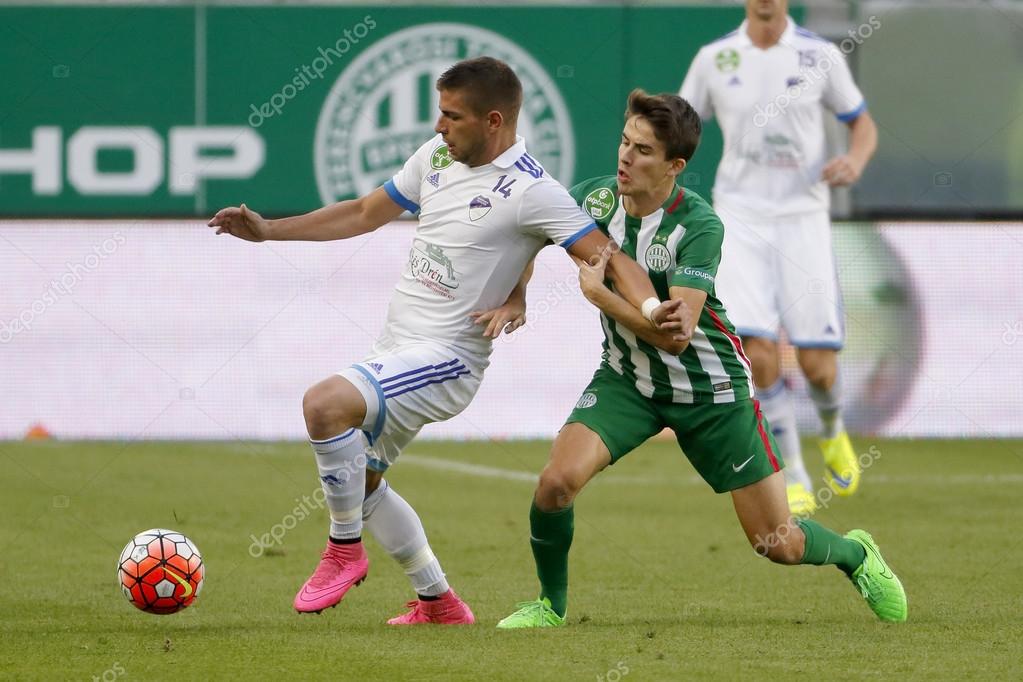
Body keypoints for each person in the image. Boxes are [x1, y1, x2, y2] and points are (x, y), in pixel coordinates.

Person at [208, 57, 683, 625]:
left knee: (323, 405)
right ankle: (438, 602)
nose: (438, 126)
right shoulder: (437, 156)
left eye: (451, 116)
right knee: (360, 480)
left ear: (493, 120)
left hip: (448, 360)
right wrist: (268, 231)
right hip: (397, 348)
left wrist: (654, 308)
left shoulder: (532, 190)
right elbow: (362, 212)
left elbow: (612, 258)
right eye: (440, 112)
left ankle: (343, 550)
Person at [494, 90, 905, 628]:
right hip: (628, 382)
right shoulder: (593, 200)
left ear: (674, 166)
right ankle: (550, 605)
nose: (624, 156)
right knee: (555, 483)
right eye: (624, 141)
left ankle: (856, 555)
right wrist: (517, 293)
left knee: (776, 543)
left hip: (712, 392)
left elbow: (677, 337)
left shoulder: (700, 226)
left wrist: (604, 299)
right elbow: (530, 233)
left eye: (642, 150)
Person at [679, 0, 879, 515]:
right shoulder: (715, 57)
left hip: (803, 217)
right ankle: (791, 469)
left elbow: (862, 124)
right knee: (759, 352)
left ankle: (832, 429)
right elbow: (680, 123)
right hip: (740, 216)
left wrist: (854, 161)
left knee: (817, 366)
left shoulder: (820, 56)